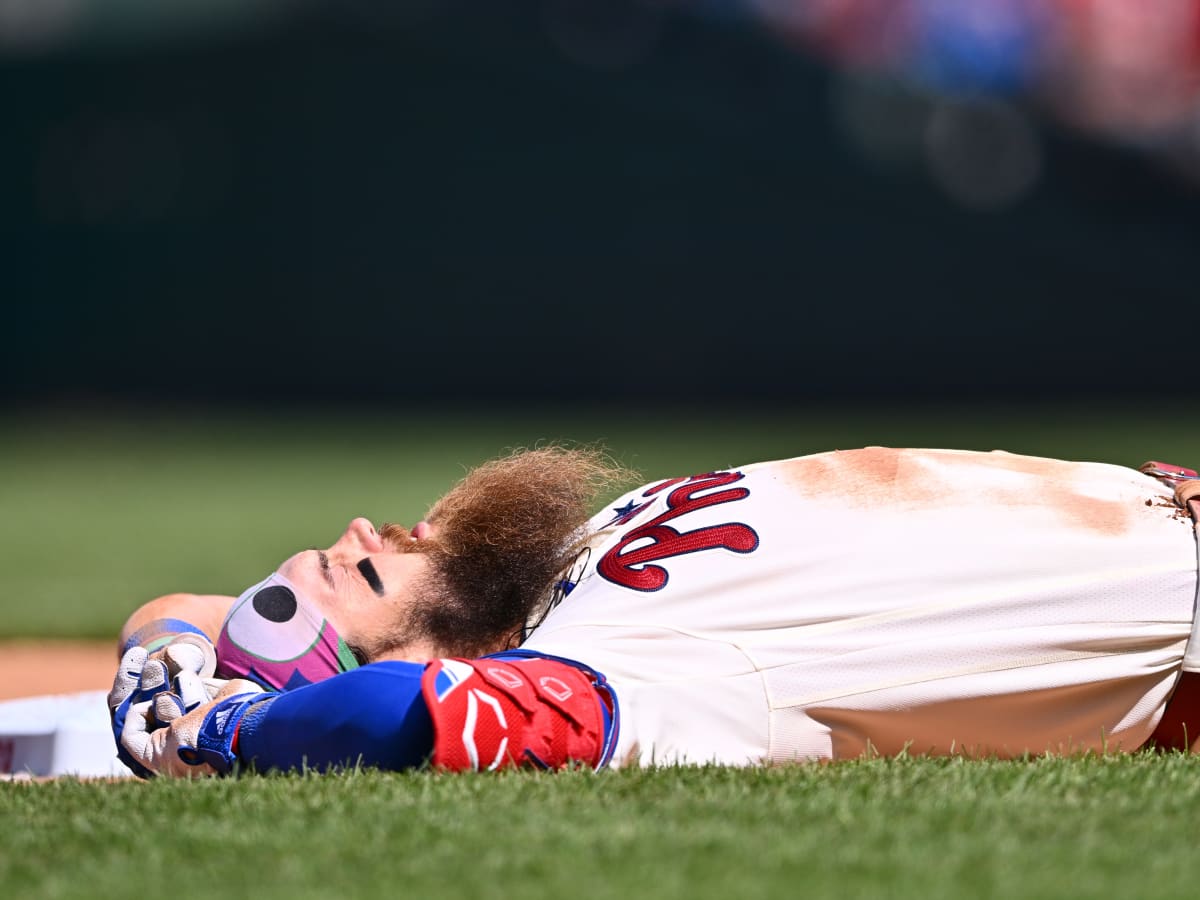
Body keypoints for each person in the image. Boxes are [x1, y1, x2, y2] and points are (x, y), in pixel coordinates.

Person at [108, 444, 1200, 778]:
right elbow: (406, 712)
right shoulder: (621, 658)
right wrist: (208, 729)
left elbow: (184, 610)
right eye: (348, 578)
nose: (362, 531)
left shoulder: (581, 553)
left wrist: (171, 643)